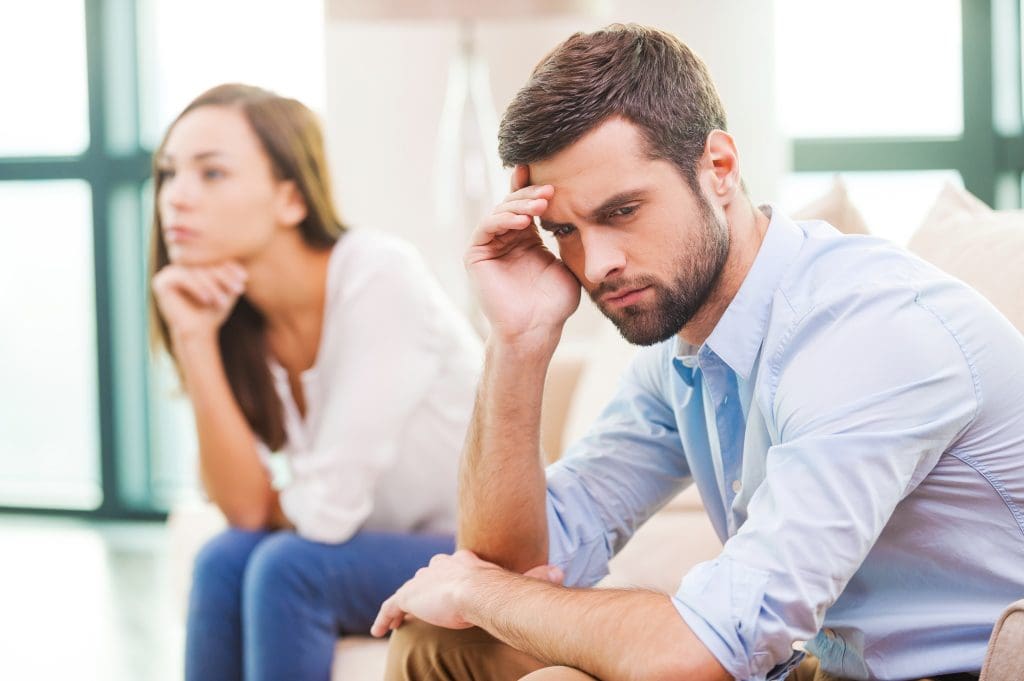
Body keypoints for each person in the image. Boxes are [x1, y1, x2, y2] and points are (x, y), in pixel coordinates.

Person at [372, 24, 1024, 681]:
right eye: (565, 229)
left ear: (719, 168)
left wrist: (478, 590)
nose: (596, 265)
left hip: (965, 669)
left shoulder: (865, 334)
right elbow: (510, 565)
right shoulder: (686, 346)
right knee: (442, 642)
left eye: (622, 211)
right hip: (822, 663)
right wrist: (515, 341)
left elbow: (697, 654)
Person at [149, 83, 482, 681]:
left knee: (288, 567)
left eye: (212, 174)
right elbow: (244, 511)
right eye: (169, 174)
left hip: (480, 548)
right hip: (372, 543)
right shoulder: (239, 316)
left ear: (291, 198)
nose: (176, 198)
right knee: (224, 558)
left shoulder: (379, 274)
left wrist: (287, 501)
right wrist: (195, 340)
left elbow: (324, 516)